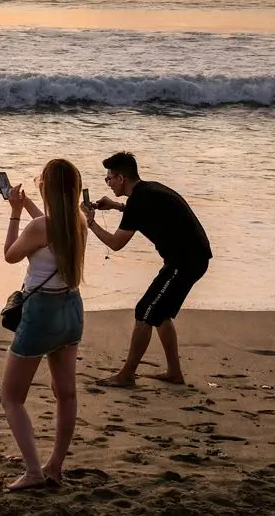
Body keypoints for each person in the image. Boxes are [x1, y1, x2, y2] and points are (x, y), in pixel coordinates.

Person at [82, 152, 211, 388]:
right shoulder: (148, 191)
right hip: (191, 257)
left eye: (109, 178)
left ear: (121, 178)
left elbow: (116, 243)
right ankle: (174, 372)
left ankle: (127, 375)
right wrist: (116, 207)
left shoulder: (140, 200)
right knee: (160, 314)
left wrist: (90, 222)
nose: (108, 183)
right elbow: (142, 214)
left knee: (145, 311)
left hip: (185, 261)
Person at [0, 158, 87, 491]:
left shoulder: (39, 227)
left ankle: (34, 471)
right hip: (72, 310)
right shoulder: (78, 221)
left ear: (46, 187)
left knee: (11, 398)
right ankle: (54, 466)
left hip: (42, 314)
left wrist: (14, 212)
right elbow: (52, 228)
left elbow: (10, 254)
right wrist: (28, 204)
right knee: (66, 394)